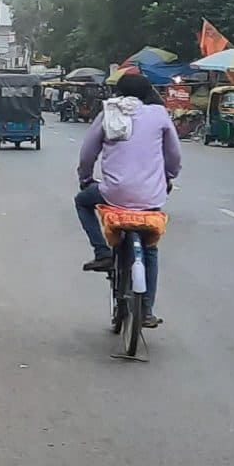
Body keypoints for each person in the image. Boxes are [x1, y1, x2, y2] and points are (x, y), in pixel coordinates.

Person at [76, 72, 181, 326]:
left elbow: (87, 153)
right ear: (148, 93)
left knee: (82, 201)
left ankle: (102, 252)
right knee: (150, 248)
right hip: (151, 196)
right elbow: (174, 155)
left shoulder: (108, 113)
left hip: (113, 193)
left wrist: (86, 178)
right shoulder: (159, 114)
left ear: (118, 92)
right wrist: (168, 176)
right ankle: (146, 311)